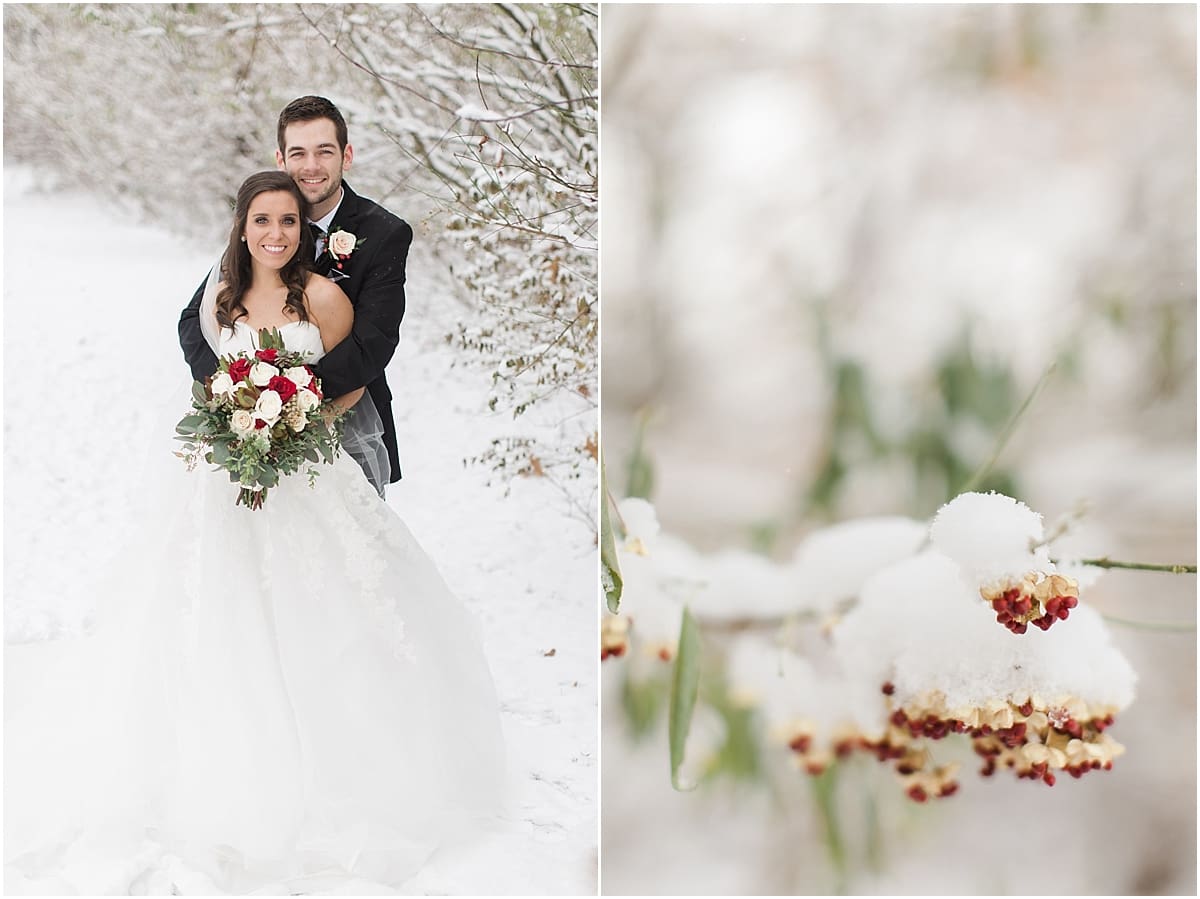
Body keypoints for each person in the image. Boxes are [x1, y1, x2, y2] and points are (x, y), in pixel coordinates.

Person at [5, 171, 504, 895]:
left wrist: (296, 424)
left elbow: (351, 382)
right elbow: (204, 366)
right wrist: (241, 421)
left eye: (289, 222)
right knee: (213, 610)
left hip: (305, 473)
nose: (276, 233)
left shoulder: (325, 296)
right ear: (242, 227)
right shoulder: (222, 296)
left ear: (305, 231)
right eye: (262, 220)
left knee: (329, 611)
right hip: (228, 477)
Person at [179, 95, 412, 495]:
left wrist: (289, 409)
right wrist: (236, 401)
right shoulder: (265, 224)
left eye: (325, 151)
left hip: (344, 430)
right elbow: (194, 320)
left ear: (347, 155)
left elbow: (372, 344)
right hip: (249, 439)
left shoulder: (384, 233)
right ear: (281, 159)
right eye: (299, 153)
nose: (311, 166)